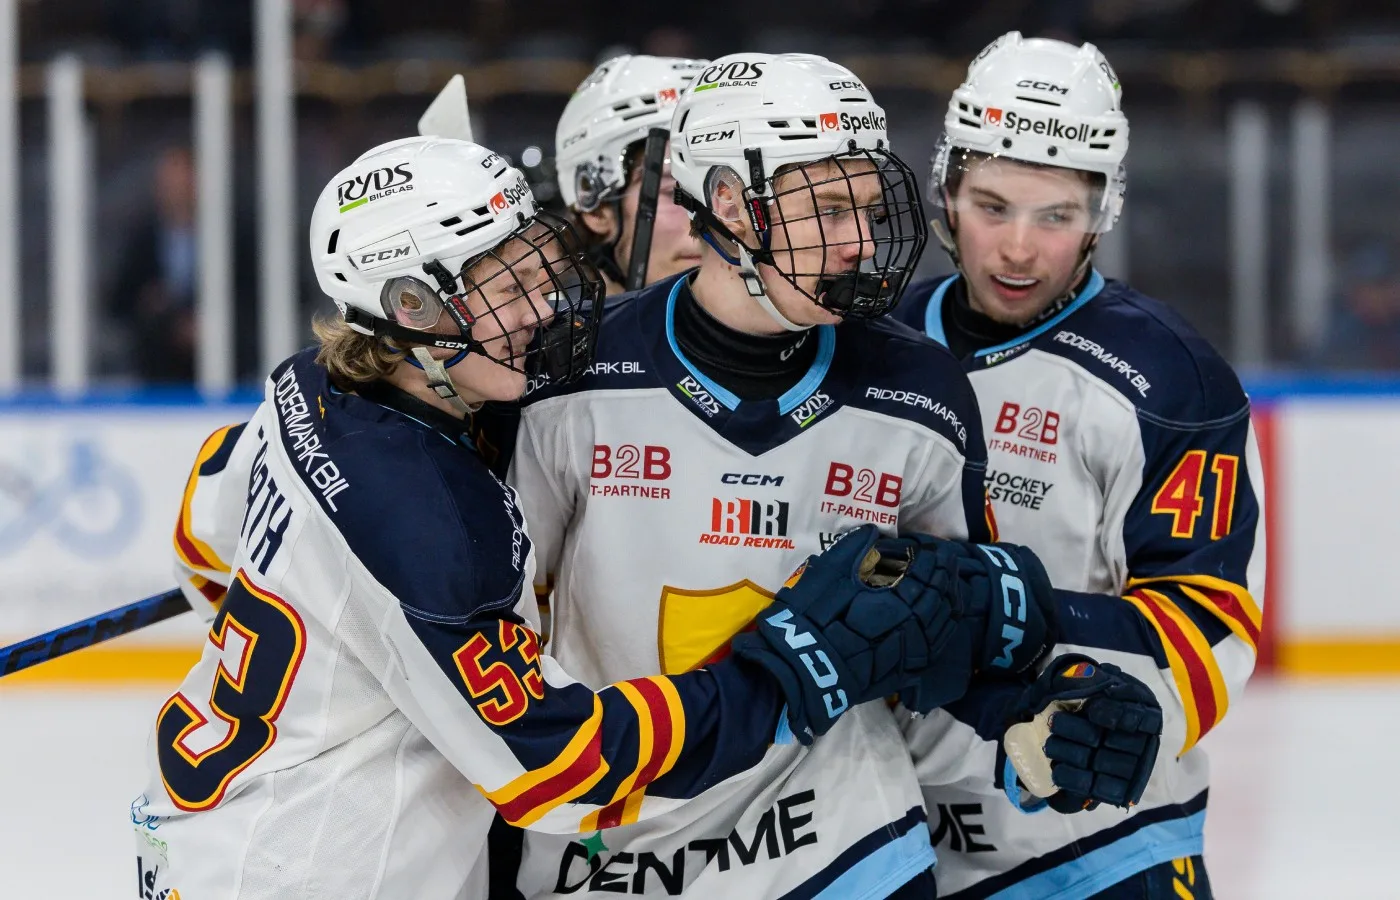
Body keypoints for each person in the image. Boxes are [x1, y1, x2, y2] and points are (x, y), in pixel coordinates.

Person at [129, 135, 970, 899]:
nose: (545, 309)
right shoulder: (431, 530)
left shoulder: (305, 386)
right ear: (413, 308)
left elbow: (204, 540)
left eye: (539, 270)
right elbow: (563, 771)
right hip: (307, 874)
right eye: (510, 289)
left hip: (194, 844)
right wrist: (788, 666)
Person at [504, 52, 1161, 899]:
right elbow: (503, 639)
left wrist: (1046, 708)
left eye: (867, 199)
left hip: (845, 852)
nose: (860, 241)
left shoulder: (919, 392)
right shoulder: (571, 379)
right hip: (607, 853)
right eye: (827, 206)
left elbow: (949, 625)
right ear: (732, 205)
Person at [894, 32, 1264, 899]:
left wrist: (1022, 623)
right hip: (893, 840)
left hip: (1096, 847)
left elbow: (1209, 620)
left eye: (1055, 215)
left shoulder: (1171, 379)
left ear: (1103, 210)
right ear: (946, 190)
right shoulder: (883, 347)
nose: (1018, 248)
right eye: (991, 205)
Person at [555, 54, 709, 296]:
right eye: (676, 193)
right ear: (596, 210)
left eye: (726, 191)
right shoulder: (539, 330)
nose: (716, 220)